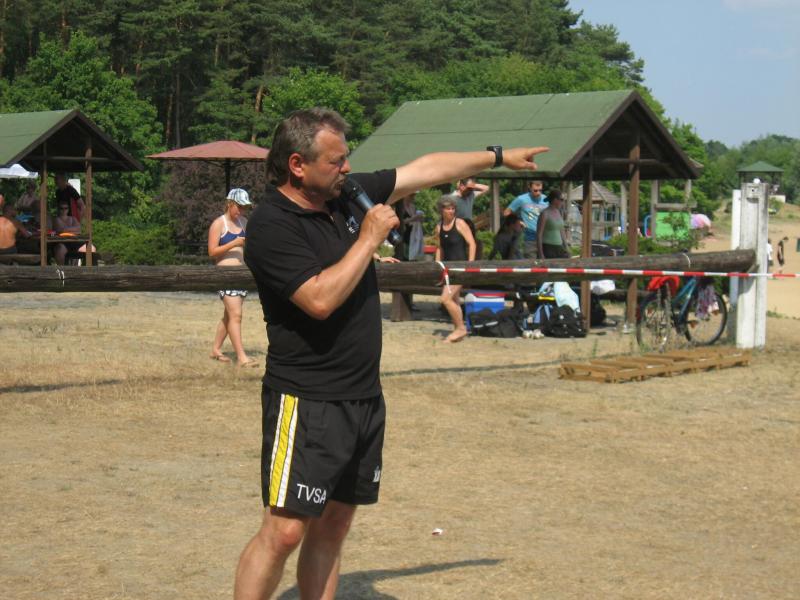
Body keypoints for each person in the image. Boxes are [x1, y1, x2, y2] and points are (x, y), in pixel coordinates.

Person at [235, 107, 548, 600]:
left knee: (334, 525)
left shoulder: (343, 194)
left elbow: (425, 169)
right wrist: (368, 238)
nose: (346, 168)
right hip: (306, 399)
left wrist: (498, 157)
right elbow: (318, 299)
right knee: (285, 532)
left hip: (363, 397)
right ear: (297, 164)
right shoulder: (272, 224)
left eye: (346, 159)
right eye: (336, 161)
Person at [207, 188, 256, 366]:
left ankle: (216, 350)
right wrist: (234, 243)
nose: (242, 210)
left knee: (229, 316)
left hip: (240, 275)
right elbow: (212, 252)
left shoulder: (244, 223)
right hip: (225, 276)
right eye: (239, 206)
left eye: (245, 207)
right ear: (230, 204)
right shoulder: (218, 224)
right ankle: (242, 358)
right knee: (236, 315)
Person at [434, 195, 477, 343]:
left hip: (461, 269)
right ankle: (458, 330)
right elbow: (439, 248)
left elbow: (472, 244)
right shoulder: (438, 227)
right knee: (454, 300)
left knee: (445, 299)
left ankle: (460, 328)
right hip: (447, 270)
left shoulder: (460, 224)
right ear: (442, 210)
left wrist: (470, 265)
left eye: (453, 208)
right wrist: (437, 265)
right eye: (448, 209)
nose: (451, 211)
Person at [504, 179, 548, 258]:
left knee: (545, 262)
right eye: (535, 190)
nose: (538, 193)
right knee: (531, 261)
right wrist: (518, 222)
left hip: (545, 235)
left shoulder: (546, 199)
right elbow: (506, 213)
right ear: (530, 188)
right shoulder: (522, 199)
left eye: (540, 190)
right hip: (529, 234)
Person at [536, 189, 571, 259]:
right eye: (561, 200)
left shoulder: (558, 213)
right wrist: (540, 253)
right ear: (555, 200)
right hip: (547, 248)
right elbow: (539, 234)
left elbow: (562, 232)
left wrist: (567, 248)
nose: (563, 202)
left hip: (559, 248)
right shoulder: (544, 213)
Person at [52, 201, 81, 265]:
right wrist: (73, 229)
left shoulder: (73, 218)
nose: (64, 210)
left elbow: (79, 229)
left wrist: (67, 229)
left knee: (91, 248)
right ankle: (62, 270)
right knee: (60, 249)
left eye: (66, 208)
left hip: (74, 242)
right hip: (61, 242)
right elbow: (61, 230)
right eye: (61, 208)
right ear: (58, 209)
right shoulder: (56, 219)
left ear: (68, 209)